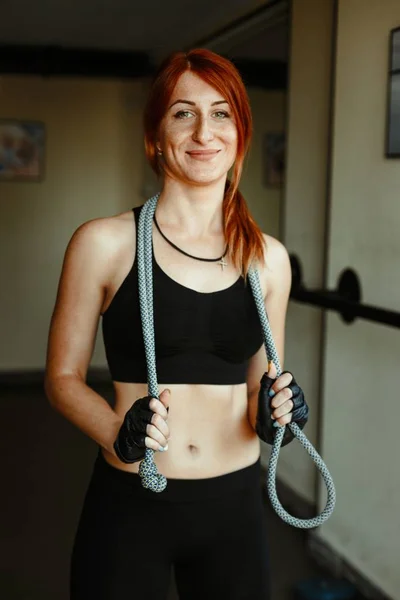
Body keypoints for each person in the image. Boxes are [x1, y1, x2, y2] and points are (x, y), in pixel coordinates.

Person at [44, 48, 309, 600]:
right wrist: (117, 432)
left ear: (240, 133)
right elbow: (63, 379)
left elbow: (266, 384)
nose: (203, 131)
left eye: (221, 113)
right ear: (157, 134)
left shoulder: (269, 260)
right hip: (131, 496)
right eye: (183, 112)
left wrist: (277, 414)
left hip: (234, 506)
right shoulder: (104, 243)